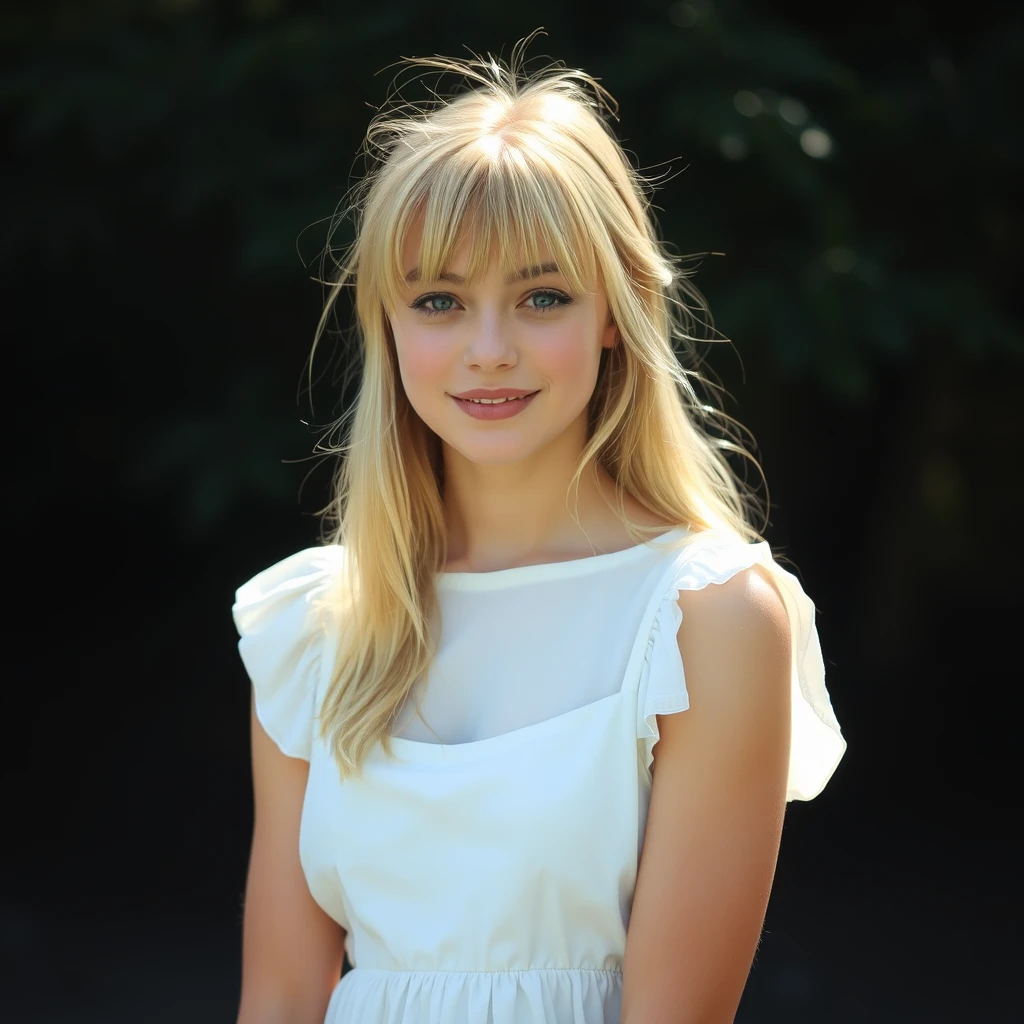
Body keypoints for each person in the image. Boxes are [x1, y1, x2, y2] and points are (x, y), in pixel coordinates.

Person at [231, 37, 846, 1024]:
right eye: (439, 299)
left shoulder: (706, 619)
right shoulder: (315, 622)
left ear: (615, 311)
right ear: (386, 323)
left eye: (541, 295)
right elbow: (282, 996)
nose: (487, 350)